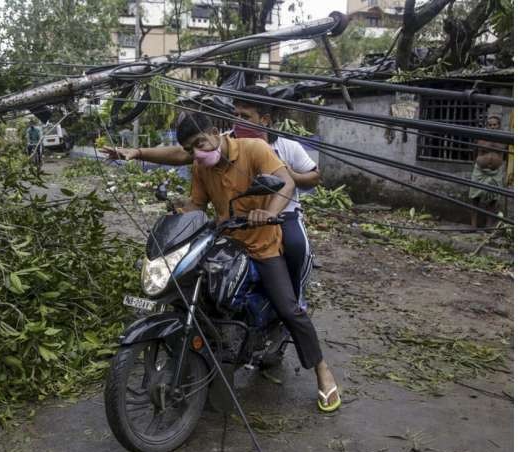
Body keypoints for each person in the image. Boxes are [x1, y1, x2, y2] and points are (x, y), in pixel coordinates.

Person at [159, 111, 341, 412]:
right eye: (190, 149)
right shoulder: (201, 167)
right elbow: (197, 205)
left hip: (262, 244)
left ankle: (322, 370)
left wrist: (269, 212)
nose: (197, 153)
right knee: (197, 294)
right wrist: (178, 214)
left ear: (215, 132)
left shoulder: (254, 149)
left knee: (289, 308)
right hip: (226, 244)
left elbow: (286, 183)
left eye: (200, 144)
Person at [101, 86, 319, 311]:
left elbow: (307, 178)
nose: (238, 120)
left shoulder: (282, 146)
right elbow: (183, 155)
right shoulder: (219, 144)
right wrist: (138, 153)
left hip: (279, 214)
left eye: (245, 116)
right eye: (235, 114)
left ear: (264, 119)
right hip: (233, 222)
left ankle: (296, 296)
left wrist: (285, 173)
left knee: (294, 249)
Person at [469, 115, 507, 227]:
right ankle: (473, 225)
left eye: (495, 125)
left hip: (496, 172)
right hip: (480, 171)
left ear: (499, 126)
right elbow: (475, 150)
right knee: (475, 197)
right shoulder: (481, 136)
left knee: (493, 198)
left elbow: (504, 153)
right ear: (487, 126)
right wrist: (475, 162)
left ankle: (488, 226)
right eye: (490, 125)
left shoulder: (504, 138)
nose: (492, 127)